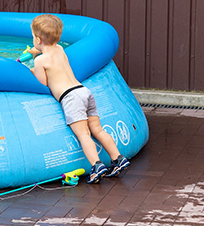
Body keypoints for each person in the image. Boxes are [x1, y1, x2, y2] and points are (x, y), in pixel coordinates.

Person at [28, 14, 130, 183]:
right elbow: (52, 56)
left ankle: (96, 166)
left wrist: (33, 64)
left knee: (83, 134)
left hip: (70, 97)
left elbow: (43, 82)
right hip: (84, 91)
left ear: (38, 39)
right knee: (97, 130)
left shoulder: (40, 60)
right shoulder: (60, 49)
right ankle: (118, 158)